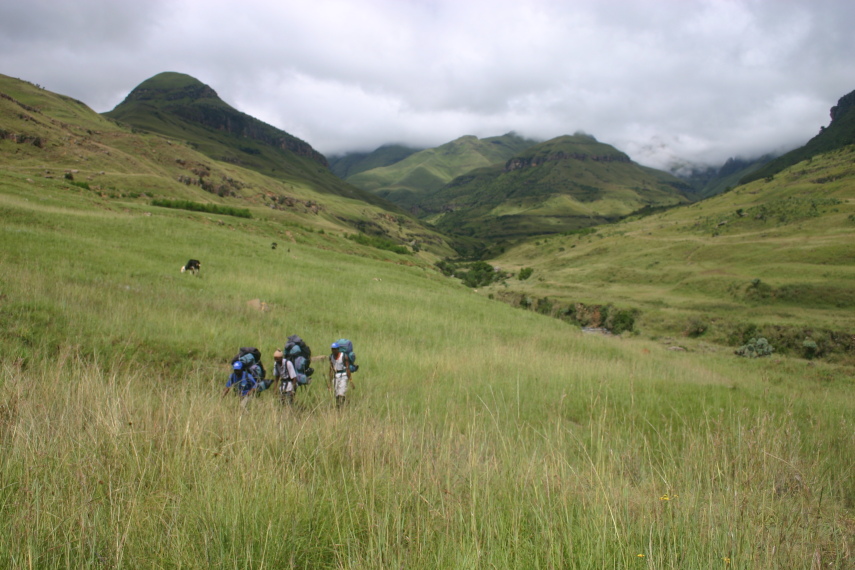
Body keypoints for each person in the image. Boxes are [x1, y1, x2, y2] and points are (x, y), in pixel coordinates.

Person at [329, 342, 354, 408]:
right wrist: (329, 382)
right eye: (332, 349)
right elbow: (331, 369)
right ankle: (338, 406)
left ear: (338, 349)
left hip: (343, 375)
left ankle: (342, 406)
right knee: (336, 394)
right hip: (336, 376)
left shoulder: (343, 356)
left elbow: (347, 368)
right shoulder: (331, 357)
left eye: (335, 349)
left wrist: (350, 380)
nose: (333, 351)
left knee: (341, 393)